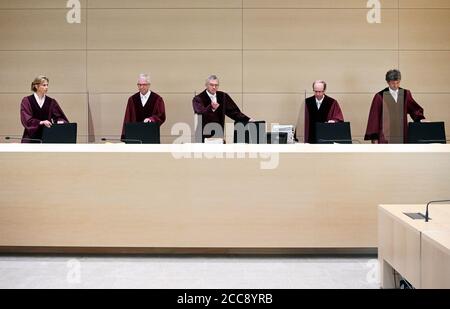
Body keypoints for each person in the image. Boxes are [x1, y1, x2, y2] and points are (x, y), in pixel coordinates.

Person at [364, 69, 425, 143]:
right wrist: (374, 138)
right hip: (385, 137)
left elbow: (414, 109)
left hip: (402, 135)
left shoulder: (405, 94)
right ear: (388, 82)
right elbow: (374, 118)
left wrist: (420, 119)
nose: (395, 85)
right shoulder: (380, 96)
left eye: (398, 83)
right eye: (393, 83)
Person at [193, 75, 253, 142]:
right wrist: (211, 107)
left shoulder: (223, 96)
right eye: (211, 85)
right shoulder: (198, 98)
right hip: (203, 135)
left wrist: (247, 119)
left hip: (218, 134)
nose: (214, 87)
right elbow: (200, 113)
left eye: (216, 85)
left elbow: (233, 112)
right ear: (206, 85)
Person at [20, 75, 69, 143]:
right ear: (36, 86)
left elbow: (59, 117)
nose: (46, 87)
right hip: (31, 137)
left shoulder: (51, 101)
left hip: (47, 136)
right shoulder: (27, 100)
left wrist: (60, 122)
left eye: (47, 85)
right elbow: (26, 120)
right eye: (44, 85)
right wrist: (41, 122)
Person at [121, 73, 166, 139]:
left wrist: (151, 119)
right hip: (135, 135)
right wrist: (125, 136)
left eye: (144, 85)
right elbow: (127, 118)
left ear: (149, 85)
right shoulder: (132, 99)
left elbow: (161, 116)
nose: (141, 87)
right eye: (139, 85)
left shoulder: (157, 99)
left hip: (151, 135)